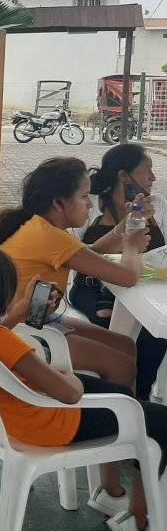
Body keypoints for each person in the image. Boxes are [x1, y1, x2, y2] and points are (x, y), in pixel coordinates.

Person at [0, 244, 167, 531]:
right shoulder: (0, 338)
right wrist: (69, 376)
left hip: (20, 416)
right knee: (160, 424)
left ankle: (114, 497)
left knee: (125, 396)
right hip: (54, 421)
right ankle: (139, 521)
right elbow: (70, 394)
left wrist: (23, 310)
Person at [0, 157, 148, 397]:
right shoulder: (49, 237)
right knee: (122, 365)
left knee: (125, 345)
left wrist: (127, 225)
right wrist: (132, 246)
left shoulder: (41, 228)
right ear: (58, 203)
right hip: (22, 331)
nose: (90, 204)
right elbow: (128, 277)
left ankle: (134, 408)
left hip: (33, 320)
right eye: (84, 196)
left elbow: (92, 251)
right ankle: (115, 414)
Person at [69, 144, 167, 400]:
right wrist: (130, 234)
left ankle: (139, 397)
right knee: (110, 327)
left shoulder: (158, 205)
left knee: (156, 334)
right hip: (94, 287)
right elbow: (80, 254)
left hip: (147, 289)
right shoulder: (90, 205)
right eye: (147, 170)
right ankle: (119, 398)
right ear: (124, 175)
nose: (153, 177)